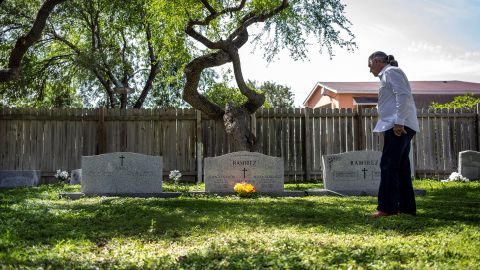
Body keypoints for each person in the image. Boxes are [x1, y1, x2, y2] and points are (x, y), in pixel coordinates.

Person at [368, 51, 420, 217]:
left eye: (370, 65)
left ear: (377, 61)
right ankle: (406, 207)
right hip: (397, 124)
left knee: (389, 165)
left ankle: (387, 208)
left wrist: (399, 122)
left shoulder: (391, 72)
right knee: (401, 166)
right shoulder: (387, 75)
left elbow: (403, 95)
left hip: (397, 125)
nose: (370, 70)